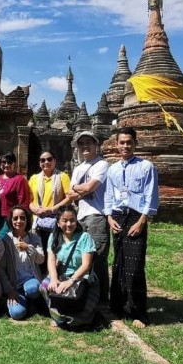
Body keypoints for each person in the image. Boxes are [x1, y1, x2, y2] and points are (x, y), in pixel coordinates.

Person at [103, 127, 159, 329]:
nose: (125, 146)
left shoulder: (146, 167)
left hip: (136, 216)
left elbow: (151, 195)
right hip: (118, 216)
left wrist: (142, 221)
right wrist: (109, 217)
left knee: (135, 265)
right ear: (116, 145)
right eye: (122, 142)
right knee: (118, 263)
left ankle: (139, 312)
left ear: (135, 144)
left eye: (129, 142)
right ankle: (117, 306)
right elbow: (109, 195)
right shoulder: (113, 169)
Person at [68, 131, 111, 322]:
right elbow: (70, 194)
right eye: (81, 144)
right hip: (81, 216)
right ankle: (86, 296)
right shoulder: (78, 168)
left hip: (97, 216)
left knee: (98, 259)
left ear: (96, 145)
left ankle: (102, 300)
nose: (85, 146)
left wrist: (80, 188)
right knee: (82, 258)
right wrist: (80, 189)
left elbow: (88, 188)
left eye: (88, 143)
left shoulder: (102, 164)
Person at [40, 206, 99, 328]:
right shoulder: (54, 237)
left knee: (80, 320)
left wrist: (71, 281)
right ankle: (60, 316)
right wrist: (54, 279)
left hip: (82, 279)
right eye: (64, 220)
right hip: (62, 276)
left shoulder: (84, 237)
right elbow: (51, 260)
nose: (69, 224)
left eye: (72, 220)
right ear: (58, 222)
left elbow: (86, 265)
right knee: (44, 285)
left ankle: (71, 317)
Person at [29, 150, 71, 266]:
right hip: (37, 221)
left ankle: (53, 276)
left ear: (54, 161)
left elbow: (69, 198)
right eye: (42, 160)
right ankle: (41, 277)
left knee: (54, 251)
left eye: (49, 159)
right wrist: (34, 209)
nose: (46, 162)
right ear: (39, 163)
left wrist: (51, 209)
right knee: (39, 251)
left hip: (55, 220)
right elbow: (29, 200)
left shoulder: (63, 177)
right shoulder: (34, 178)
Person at [2, 205, 44, 320]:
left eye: (22, 218)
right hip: (15, 285)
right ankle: (23, 303)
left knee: (32, 289)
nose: (19, 221)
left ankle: (33, 301)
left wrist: (29, 248)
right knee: (17, 314)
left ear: (27, 220)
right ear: (11, 220)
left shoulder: (34, 237)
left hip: (31, 280)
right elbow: (1, 268)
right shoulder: (6, 240)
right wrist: (9, 290)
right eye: (15, 218)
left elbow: (41, 260)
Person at [0, 152, 31, 238]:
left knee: (0, 239)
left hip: (11, 219)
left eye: (9, 162)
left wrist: (19, 221)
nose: (6, 165)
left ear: (14, 164)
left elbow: (23, 203)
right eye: (4, 162)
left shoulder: (19, 179)